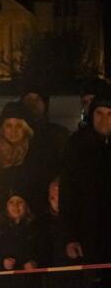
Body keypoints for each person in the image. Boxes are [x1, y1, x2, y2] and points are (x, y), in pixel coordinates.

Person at [61, 94, 111, 265]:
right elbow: (68, 193)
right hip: (88, 232)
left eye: (110, 114)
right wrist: (70, 237)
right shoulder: (77, 145)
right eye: (99, 113)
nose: (104, 119)